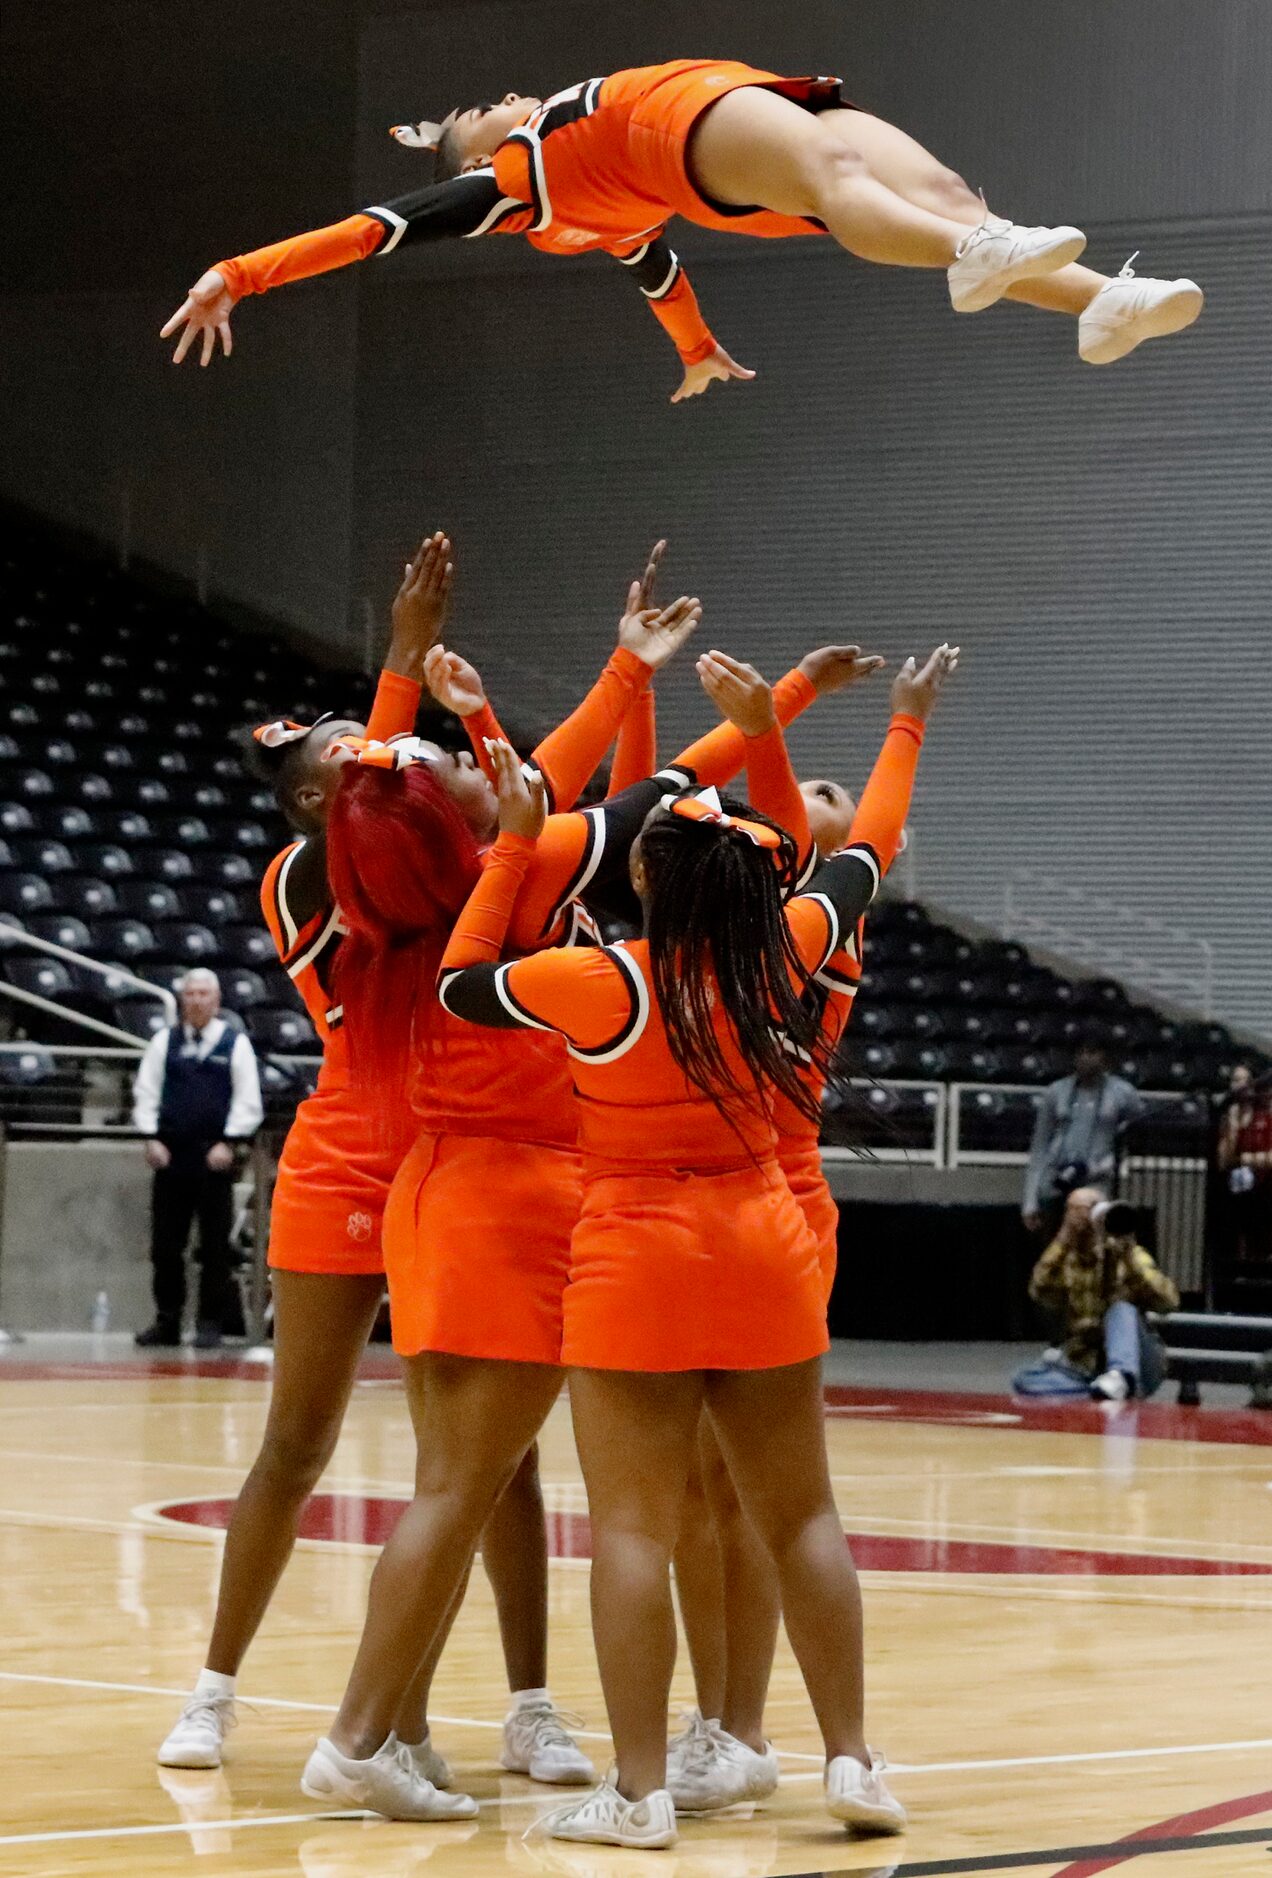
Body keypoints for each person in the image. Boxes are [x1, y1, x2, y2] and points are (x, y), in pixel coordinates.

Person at [435, 646, 954, 1848]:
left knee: (632, 1528)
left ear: (650, 886)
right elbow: (866, 853)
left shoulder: (595, 979)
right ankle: (852, 1764)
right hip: (768, 1238)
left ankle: (640, 1792)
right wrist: (908, 725)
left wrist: (514, 842)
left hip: (631, 1259)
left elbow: (461, 987)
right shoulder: (794, 945)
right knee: (802, 1517)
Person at [156, 532, 587, 1793]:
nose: (384, 754)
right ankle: (213, 1692)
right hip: (349, 1160)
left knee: (493, 1463)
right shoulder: (301, 887)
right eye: (355, 753)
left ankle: (529, 1709)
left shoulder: (451, 859)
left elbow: (509, 809)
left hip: (462, 1162)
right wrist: (400, 661)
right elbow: (388, 801)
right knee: (296, 1440)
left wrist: (440, 700)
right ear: (313, 803)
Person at [161, 60, 1202, 395]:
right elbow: (376, 227)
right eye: (485, 112)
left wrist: (698, 351)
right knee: (844, 174)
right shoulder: (514, 185)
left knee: (948, 191)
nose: (506, 99)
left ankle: (1104, 302)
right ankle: (974, 259)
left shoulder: (585, 224)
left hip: (722, 116)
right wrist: (238, 274)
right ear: (479, 157)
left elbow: (657, 274)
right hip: (679, 130)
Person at [132, 968, 263, 1350]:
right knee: (166, 1247)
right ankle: (168, 1321)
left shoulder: (234, 1044)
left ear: (217, 1000)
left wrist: (229, 1141)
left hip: (215, 1160)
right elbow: (146, 1092)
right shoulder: (163, 1042)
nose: (197, 1000)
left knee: (215, 1248)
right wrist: (151, 1138)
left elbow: (248, 1100)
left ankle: (210, 1323)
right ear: (182, 999)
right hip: (170, 1157)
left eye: (204, 993)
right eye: (190, 993)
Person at [1013, 1190, 1179, 1400]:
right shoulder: (1066, 1260)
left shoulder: (1129, 1254)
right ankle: (1097, 1391)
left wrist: (1127, 1257)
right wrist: (1064, 1237)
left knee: (1121, 1308)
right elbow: (1038, 1291)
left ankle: (1121, 1377)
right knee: (1023, 1379)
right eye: (1076, 1210)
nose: (1084, 1216)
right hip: (1084, 1363)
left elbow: (1169, 1301)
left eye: (1091, 1208)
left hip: (1136, 1360)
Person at [1022, 1036, 1146, 1242]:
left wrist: (1111, 1164)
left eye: (1092, 1052)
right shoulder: (1056, 1092)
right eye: (1080, 1053)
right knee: (1053, 1252)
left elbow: (1136, 1135)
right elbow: (1039, 1147)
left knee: (1092, 1249)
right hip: (1055, 1182)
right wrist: (1030, 1201)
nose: (1085, 1058)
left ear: (1105, 1057)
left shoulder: (1123, 1093)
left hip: (1097, 1184)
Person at [1217, 1064, 1272, 1265]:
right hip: (1236, 1193)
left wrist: (1243, 1159)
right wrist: (1233, 1124)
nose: (1241, 1086)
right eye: (1236, 1080)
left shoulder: (1265, 1115)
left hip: (1264, 1190)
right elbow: (1224, 1160)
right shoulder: (1228, 1116)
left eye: (1245, 1080)